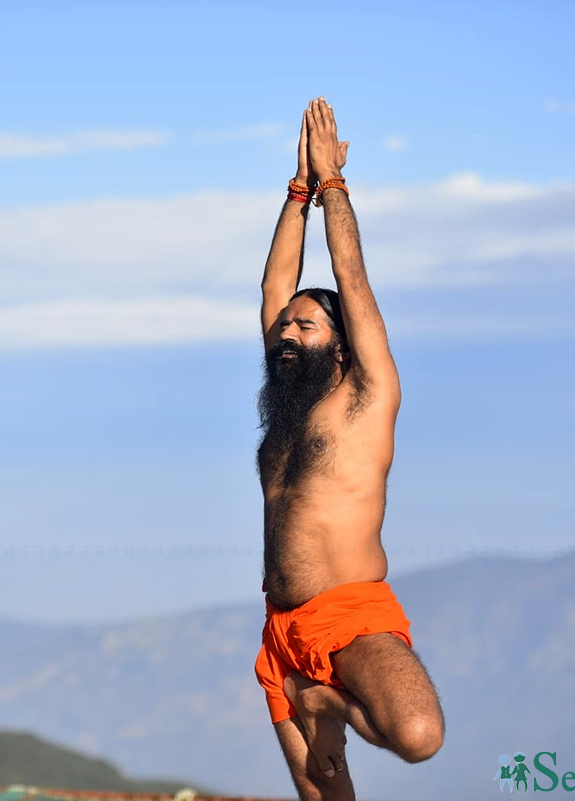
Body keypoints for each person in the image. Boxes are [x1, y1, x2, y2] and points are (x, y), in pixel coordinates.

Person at [252, 97, 445, 801]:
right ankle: (312, 696)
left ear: (340, 343)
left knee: (418, 733)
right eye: (284, 328)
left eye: (305, 324)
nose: (287, 332)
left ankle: (327, 703)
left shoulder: (365, 400)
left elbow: (352, 278)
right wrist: (295, 190)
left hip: (350, 613)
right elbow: (275, 286)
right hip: (282, 632)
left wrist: (332, 185)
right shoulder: (286, 413)